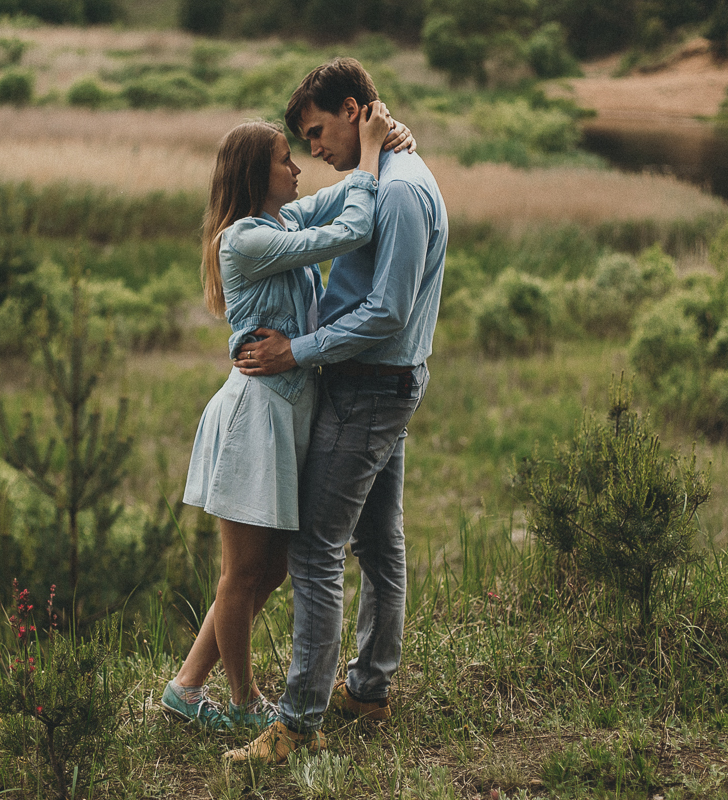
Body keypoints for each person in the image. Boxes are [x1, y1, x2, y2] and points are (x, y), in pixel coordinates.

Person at [161, 103, 416, 731]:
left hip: (285, 418)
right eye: (285, 159)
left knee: (270, 570)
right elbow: (349, 230)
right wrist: (372, 156)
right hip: (255, 420)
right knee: (242, 573)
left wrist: (381, 146)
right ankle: (243, 702)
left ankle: (186, 687)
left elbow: (334, 202)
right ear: (257, 174)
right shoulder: (246, 239)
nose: (298, 168)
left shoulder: (277, 219)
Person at [224, 57, 448, 763]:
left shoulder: (401, 192)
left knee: (317, 548)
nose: (314, 149)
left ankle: (296, 723)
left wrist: (298, 351)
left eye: (318, 132)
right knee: (378, 543)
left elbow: (387, 311)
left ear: (353, 110)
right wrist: (375, 151)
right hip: (375, 383)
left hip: (369, 386)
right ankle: (368, 690)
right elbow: (307, 219)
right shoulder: (382, 176)